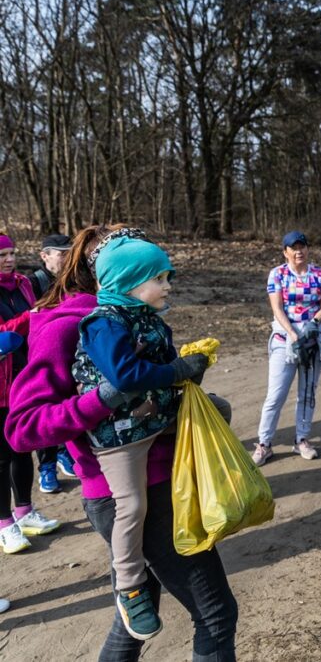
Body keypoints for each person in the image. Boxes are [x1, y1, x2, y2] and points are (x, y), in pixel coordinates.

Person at [6, 225, 238, 659]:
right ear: (113, 275)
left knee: (131, 625)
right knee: (216, 615)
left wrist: (185, 376)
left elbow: (153, 383)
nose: (164, 283)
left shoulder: (140, 317)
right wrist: (102, 398)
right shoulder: (70, 328)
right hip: (125, 491)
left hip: (165, 478)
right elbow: (23, 429)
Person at [72, 235, 209, 640]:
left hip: (156, 415)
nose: (168, 286)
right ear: (130, 282)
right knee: (131, 507)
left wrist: (190, 365)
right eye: (160, 278)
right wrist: (178, 371)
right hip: (119, 434)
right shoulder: (103, 323)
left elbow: (163, 360)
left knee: (216, 413)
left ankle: (211, 496)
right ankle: (129, 586)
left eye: (168, 277)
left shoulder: (148, 314)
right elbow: (126, 377)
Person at [0, 233, 61, 555]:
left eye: (11, 253)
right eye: (2, 255)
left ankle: (24, 512)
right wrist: (31, 317)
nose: (9, 259)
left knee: (22, 447)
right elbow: (4, 335)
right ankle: (4, 524)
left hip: (23, 379)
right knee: (0, 457)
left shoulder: (23, 283)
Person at [252, 230, 321, 466]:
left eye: (302, 246)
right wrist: (292, 333)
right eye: (293, 248)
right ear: (285, 251)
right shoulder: (277, 274)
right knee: (276, 395)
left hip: (312, 338)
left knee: (307, 393)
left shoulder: (320, 274)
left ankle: (302, 440)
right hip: (284, 340)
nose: (299, 251)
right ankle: (264, 444)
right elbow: (277, 308)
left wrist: (313, 324)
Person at [30, 233, 75, 494]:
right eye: (61, 253)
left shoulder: (74, 280)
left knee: (66, 406)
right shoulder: (33, 283)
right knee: (45, 411)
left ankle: (65, 451)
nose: (67, 257)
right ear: (45, 256)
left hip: (68, 353)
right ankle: (46, 468)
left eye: (70, 252)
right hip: (40, 357)